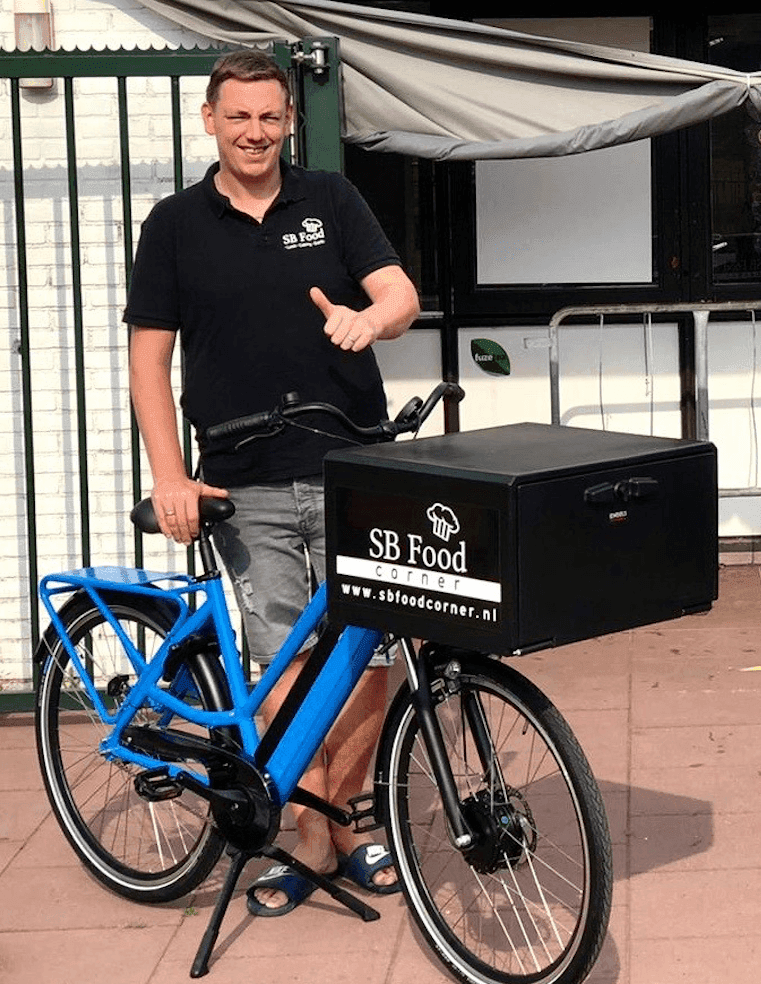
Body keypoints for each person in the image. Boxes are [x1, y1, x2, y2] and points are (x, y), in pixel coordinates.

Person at [124, 49, 421, 916]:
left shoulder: (331, 199)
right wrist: (170, 476)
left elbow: (400, 294)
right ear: (210, 120)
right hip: (244, 480)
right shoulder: (173, 226)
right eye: (238, 116)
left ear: (289, 121)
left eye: (269, 116)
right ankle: (311, 834)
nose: (254, 132)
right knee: (283, 659)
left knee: (369, 654)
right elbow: (148, 363)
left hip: (349, 464)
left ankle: (346, 819)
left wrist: (371, 319)